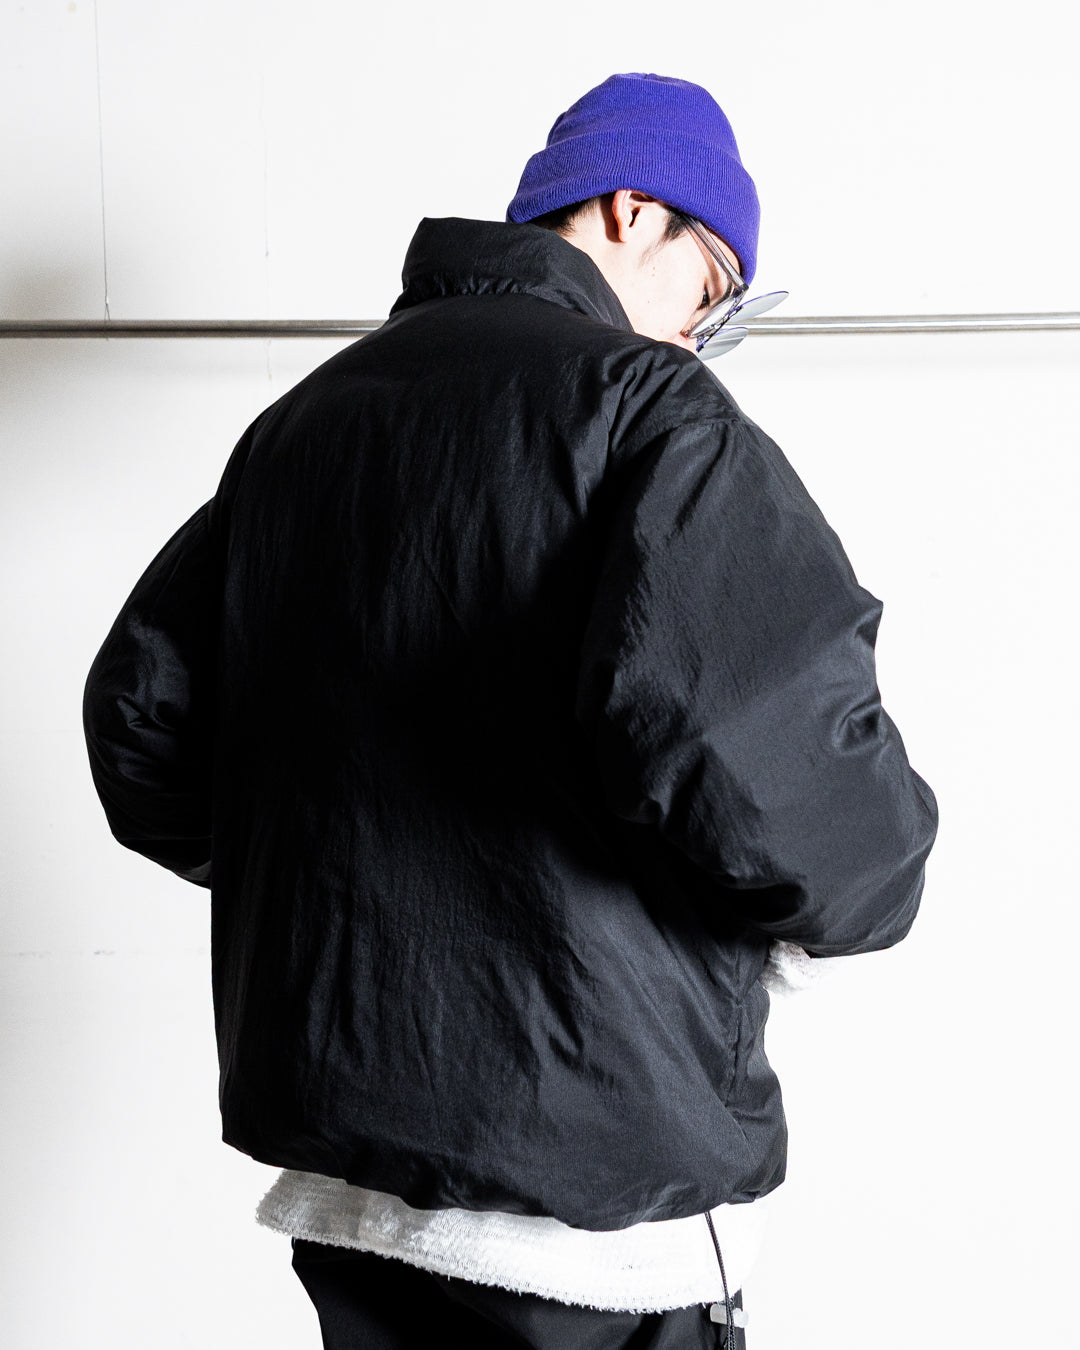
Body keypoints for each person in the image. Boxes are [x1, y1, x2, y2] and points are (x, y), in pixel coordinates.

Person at [82, 72, 939, 1349]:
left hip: (354, 1188)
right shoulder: (647, 413)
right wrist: (874, 874)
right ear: (632, 210)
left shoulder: (304, 425)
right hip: (593, 1200)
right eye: (710, 290)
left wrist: (325, 865)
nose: (699, 337)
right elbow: (812, 804)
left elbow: (144, 721)